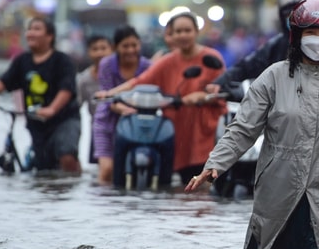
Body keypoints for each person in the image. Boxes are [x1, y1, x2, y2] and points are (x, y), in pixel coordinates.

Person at [185, 0, 319, 249]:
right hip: (277, 188)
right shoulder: (273, 76)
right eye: (311, 32)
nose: (317, 39)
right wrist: (215, 164)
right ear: (296, 36)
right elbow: (243, 129)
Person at [97, 12, 226, 184]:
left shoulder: (212, 58)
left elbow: (223, 90)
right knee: (184, 184)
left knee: (206, 183)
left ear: (196, 31)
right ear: (171, 35)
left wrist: (202, 96)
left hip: (205, 133)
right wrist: (110, 93)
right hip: (179, 133)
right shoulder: (167, 61)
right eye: (178, 31)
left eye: (187, 30)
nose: (183, 35)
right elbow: (140, 81)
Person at [0, 16, 82, 174]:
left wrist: (51, 109)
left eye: (37, 29)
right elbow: (5, 81)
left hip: (64, 120)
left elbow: (67, 89)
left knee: (66, 155)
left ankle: (74, 181)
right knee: (43, 168)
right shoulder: (22, 61)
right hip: (36, 121)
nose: (31, 33)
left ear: (50, 36)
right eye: (29, 29)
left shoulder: (62, 61)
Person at [92, 25, 153, 184]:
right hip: (107, 121)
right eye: (125, 46)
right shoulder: (106, 64)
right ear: (116, 47)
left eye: (134, 45)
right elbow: (107, 97)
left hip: (138, 121)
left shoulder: (147, 66)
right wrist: (123, 108)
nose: (130, 50)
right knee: (107, 170)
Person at [76, 34, 113, 165]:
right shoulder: (84, 79)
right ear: (88, 52)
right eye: (95, 49)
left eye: (103, 48)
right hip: (98, 129)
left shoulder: (119, 73)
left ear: (112, 49)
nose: (99, 53)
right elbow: (76, 106)